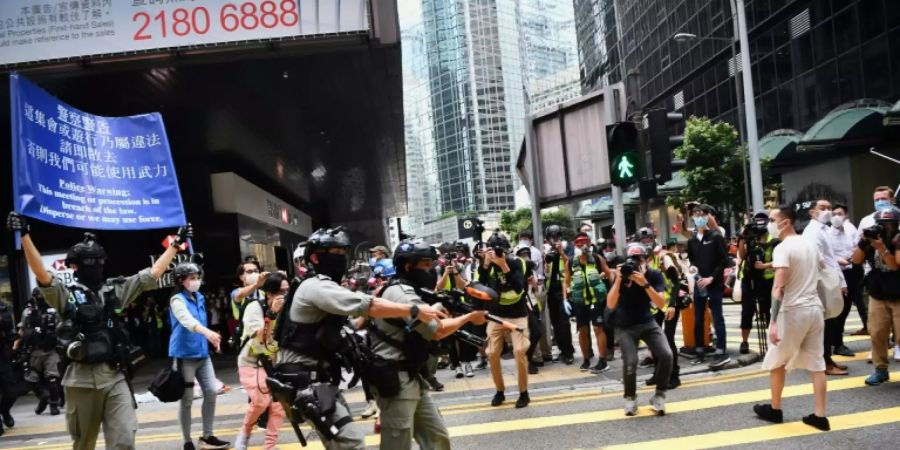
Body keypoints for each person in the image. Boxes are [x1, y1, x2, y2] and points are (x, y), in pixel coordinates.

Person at [7, 211, 188, 450]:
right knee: (84, 444)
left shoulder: (115, 290)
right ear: (75, 265)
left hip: (114, 376)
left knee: (124, 439)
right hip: (80, 380)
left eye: (99, 261)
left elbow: (152, 275)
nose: (96, 266)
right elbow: (42, 275)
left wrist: (175, 244)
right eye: (89, 262)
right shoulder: (66, 294)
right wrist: (25, 236)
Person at [274, 226, 442, 449]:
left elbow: (351, 324)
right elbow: (366, 305)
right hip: (307, 382)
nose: (341, 258)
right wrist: (411, 310)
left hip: (321, 381)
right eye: (335, 253)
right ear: (314, 257)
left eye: (344, 253)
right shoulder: (316, 286)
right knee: (351, 444)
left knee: (345, 444)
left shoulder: (324, 287)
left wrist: (383, 312)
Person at [369, 240, 488, 450]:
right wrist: (469, 317)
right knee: (397, 445)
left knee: (437, 438)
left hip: (414, 377)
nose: (431, 270)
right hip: (395, 381)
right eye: (426, 265)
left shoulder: (413, 290)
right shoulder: (400, 293)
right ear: (408, 266)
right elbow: (437, 330)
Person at [753, 205, 830, 431]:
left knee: (777, 360)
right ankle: (820, 415)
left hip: (793, 310)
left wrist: (774, 321)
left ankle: (775, 409)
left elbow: (778, 288)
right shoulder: (810, 244)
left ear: (785, 222)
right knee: (817, 364)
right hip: (814, 309)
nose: (769, 224)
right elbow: (822, 268)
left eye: (772, 219)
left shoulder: (783, 248)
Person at [168, 262, 230, 450]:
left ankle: (208, 436)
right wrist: (208, 333)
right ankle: (187, 441)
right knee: (186, 400)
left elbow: (202, 321)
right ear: (181, 281)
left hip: (202, 355)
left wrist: (211, 339)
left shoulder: (200, 297)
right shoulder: (177, 300)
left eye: (198, 278)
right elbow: (187, 321)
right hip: (184, 356)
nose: (196, 281)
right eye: (192, 278)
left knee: (211, 392)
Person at [607, 243, 672, 416]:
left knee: (666, 355)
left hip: (647, 322)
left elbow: (660, 303)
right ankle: (630, 398)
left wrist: (644, 284)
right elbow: (610, 303)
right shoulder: (622, 276)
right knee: (631, 362)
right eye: (632, 260)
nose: (636, 264)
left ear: (646, 260)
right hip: (625, 325)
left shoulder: (654, 275)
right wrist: (620, 279)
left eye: (639, 259)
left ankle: (659, 395)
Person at [234, 272, 288, 450]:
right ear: (270, 294)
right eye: (282, 291)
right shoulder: (254, 307)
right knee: (260, 402)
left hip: (274, 362)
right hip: (251, 362)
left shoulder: (288, 310)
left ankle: (270, 446)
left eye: (288, 291)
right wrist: (272, 315)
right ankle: (245, 433)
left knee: (279, 406)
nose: (286, 295)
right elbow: (260, 340)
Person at [481, 233, 531, 408]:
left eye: (499, 250)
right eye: (492, 250)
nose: (496, 253)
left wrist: (504, 266)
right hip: (496, 315)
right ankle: (499, 391)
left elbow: (519, 288)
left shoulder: (517, 262)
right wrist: (486, 264)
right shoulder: (487, 265)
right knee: (492, 353)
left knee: (519, 351)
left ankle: (524, 392)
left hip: (517, 314)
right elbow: (480, 285)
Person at [851, 207, 900, 386]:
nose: (883, 228)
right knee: (877, 332)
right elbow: (855, 260)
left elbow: (896, 266)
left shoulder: (898, 239)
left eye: (888, 224)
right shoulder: (871, 239)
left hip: (898, 292)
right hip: (878, 292)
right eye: (880, 224)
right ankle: (880, 370)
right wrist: (864, 243)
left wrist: (883, 249)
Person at [801, 199, 849, 376]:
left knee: (830, 321)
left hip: (829, 280)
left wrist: (841, 282)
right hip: (821, 282)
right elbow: (816, 259)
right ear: (812, 212)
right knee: (826, 324)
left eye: (829, 208)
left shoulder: (824, 229)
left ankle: (826, 359)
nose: (827, 211)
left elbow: (831, 258)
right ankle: (824, 363)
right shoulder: (813, 231)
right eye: (822, 208)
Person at [686, 204, 731, 368]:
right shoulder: (692, 241)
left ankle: (721, 351)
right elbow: (692, 260)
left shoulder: (715, 236)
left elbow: (724, 260)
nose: (698, 216)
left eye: (701, 214)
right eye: (695, 214)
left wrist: (712, 278)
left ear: (707, 216)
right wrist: (692, 268)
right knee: (698, 318)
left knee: (717, 317)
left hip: (714, 283)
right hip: (699, 284)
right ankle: (700, 351)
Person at [565, 232, 612, 373]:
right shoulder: (571, 261)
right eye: (579, 243)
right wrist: (565, 298)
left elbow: (609, 273)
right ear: (575, 245)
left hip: (596, 300)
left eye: (585, 242)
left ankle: (602, 360)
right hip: (580, 301)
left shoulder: (597, 258)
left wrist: (601, 277)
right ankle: (586, 359)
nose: (583, 245)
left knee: (598, 328)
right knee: (582, 330)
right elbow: (566, 280)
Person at [737, 212, 779, 355]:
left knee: (768, 311)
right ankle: (744, 342)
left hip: (767, 281)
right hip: (749, 279)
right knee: (747, 311)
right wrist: (742, 239)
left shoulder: (775, 241)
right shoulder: (750, 238)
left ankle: (772, 342)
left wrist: (764, 266)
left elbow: (781, 261)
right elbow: (742, 256)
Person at [15, 290, 62, 415]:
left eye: (43, 295)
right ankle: (43, 397)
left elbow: (61, 326)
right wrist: (19, 343)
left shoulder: (54, 310)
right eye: (39, 296)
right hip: (34, 351)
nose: (41, 298)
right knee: (31, 380)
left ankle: (54, 405)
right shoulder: (28, 312)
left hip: (50, 350)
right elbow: (22, 329)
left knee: (52, 378)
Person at [828, 204, 862, 357]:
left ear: (846, 215)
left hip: (852, 271)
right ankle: (837, 343)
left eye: (839, 213)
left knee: (848, 307)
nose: (836, 216)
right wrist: (839, 260)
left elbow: (856, 247)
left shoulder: (850, 230)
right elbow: (826, 255)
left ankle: (836, 342)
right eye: (833, 214)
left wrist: (853, 255)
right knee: (838, 310)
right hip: (837, 274)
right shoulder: (827, 233)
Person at [543, 225, 575, 365]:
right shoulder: (546, 249)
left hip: (564, 290)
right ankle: (562, 350)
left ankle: (569, 353)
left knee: (563, 322)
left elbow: (571, 263)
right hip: (551, 290)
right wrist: (546, 259)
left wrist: (561, 252)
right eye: (552, 237)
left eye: (557, 236)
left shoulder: (567, 246)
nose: (555, 239)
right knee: (555, 322)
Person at [0, 299, 18, 436]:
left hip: (2, 354)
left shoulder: (3, 307)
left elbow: (10, 332)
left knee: (11, 391)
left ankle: (4, 410)